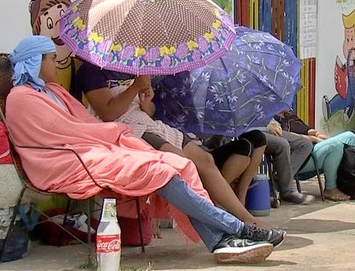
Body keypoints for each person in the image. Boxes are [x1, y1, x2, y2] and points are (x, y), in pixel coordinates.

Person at [5, 36, 284, 264]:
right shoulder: (21, 98)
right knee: (160, 167)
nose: (56, 63)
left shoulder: (55, 92)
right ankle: (236, 229)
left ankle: (223, 240)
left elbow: (83, 123)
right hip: (69, 159)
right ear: (34, 62)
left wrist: (144, 97)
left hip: (95, 147)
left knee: (172, 165)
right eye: (51, 59)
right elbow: (71, 130)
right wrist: (113, 132)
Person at [76, 60, 264, 224]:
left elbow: (148, 110)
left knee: (206, 160)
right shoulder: (93, 70)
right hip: (124, 130)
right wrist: (134, 87)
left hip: (147, 123)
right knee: (182, 163)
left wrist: (146, 100)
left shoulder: (133, 66)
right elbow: (108, 114)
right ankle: (219, 220)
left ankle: (245, 217)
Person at [275, 110, 355, 202]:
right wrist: (314, 139)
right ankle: (330, 188)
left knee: (350, 137)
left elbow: (306, 129)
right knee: (335, 145)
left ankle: (348, 183)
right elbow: (287, 137)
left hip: (313, 148)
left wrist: (317, 134)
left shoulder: (289, 115)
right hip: (299, 158)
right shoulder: (273, 120)